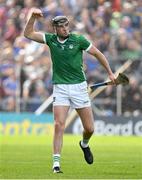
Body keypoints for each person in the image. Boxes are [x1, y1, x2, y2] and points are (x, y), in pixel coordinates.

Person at [24, 8, 116, 173]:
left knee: (90, 129)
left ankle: (84, 144)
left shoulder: (78, 39)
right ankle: (56, 164)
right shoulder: (50, 39)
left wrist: (110, 73)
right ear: (55, 29)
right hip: (60, 88)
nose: (66, 28)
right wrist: (32, 17)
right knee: (59, 125)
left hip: (79, 88)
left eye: (67, 25)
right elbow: (28, 34)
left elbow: (98, 54)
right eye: (62, 27)